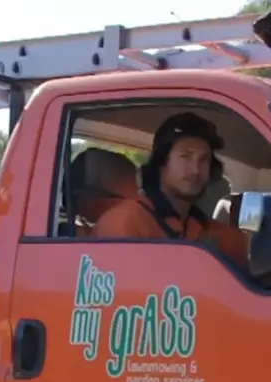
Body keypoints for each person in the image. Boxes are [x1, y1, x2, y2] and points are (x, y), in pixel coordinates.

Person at [90, 112, 249, 270]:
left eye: (203, 159)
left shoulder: (218, 234)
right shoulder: (125, 223)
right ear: (161, 163)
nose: (195, 169)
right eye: (185, 156)